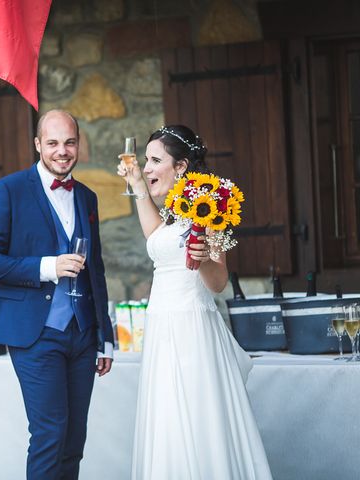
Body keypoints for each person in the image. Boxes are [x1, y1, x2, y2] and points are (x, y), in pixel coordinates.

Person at [118, 125, 272, 479]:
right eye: (146, 160)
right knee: (167, 421)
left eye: (155, 160)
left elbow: (219, 282)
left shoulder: (211, 205)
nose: (148, 167)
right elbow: (157, 239)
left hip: (191, 332)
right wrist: (139, 187)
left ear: (182, 167)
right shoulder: (173, 214)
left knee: (199, 422)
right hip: (161, 329)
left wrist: (202, 258)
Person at [0, 109, 114, 480]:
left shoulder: (87, 197)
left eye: (69, 142)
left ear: (78, 144)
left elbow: (95, 269)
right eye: (52, 142)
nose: (61, 151)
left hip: (82, 335)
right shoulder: (8, 190)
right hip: (34, 332)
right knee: (50, 434)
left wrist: (105, 336)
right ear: (37, 145)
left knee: (73, 439)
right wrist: (47, 267)